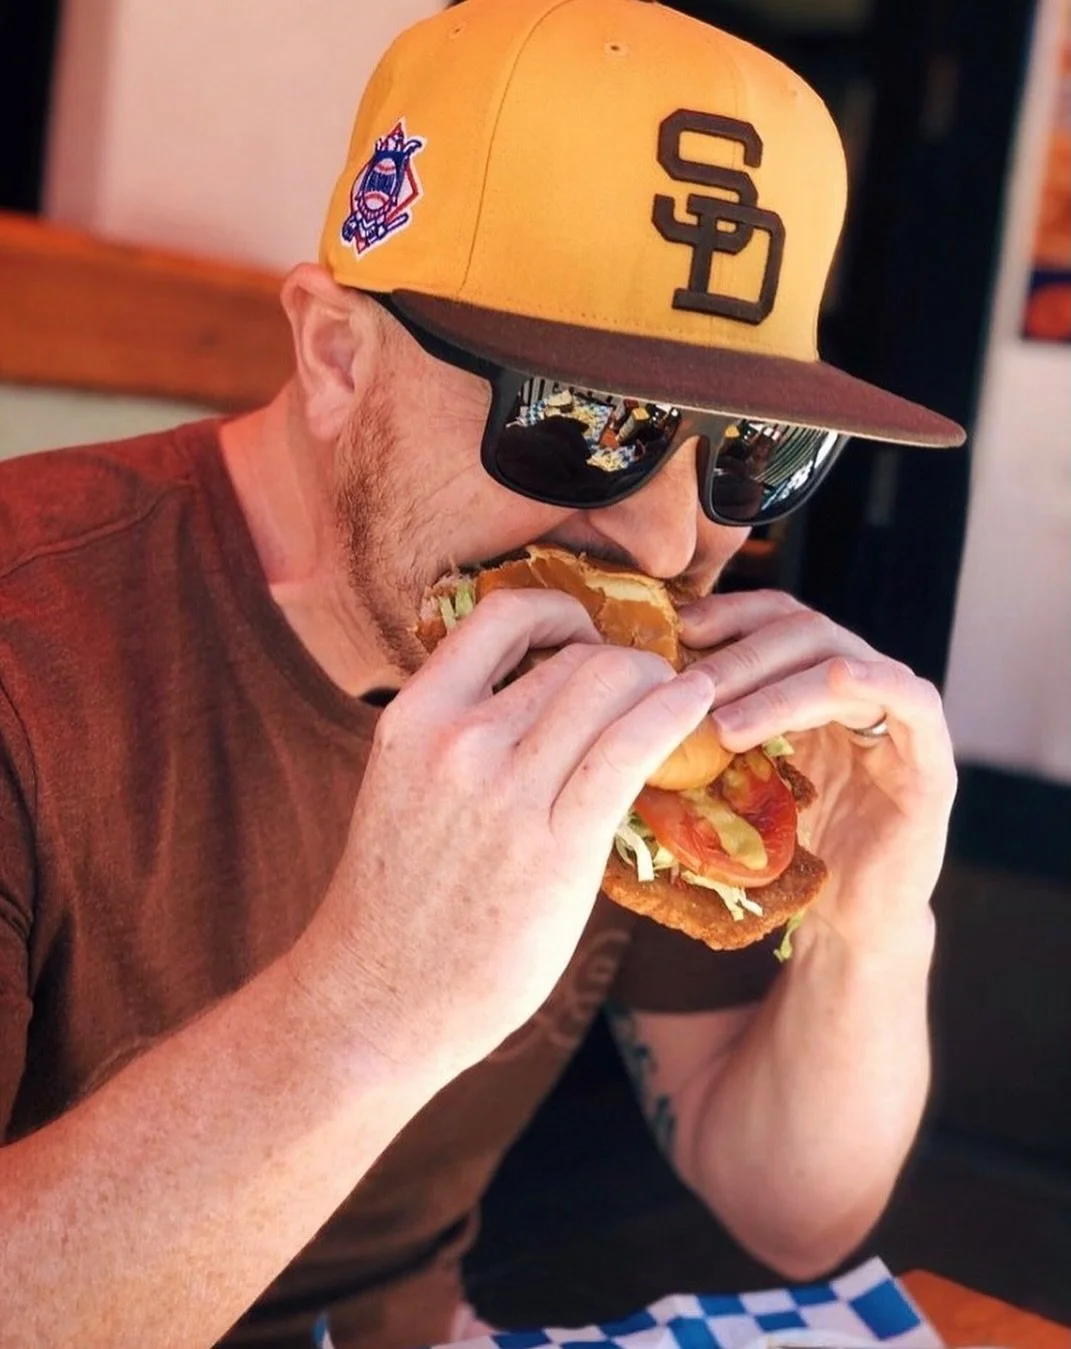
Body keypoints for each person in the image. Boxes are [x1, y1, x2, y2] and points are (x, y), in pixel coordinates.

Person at [0, 1, 965, 1346]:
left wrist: (875, 918)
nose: (668, 543)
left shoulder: (664, 748)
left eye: (752, 450)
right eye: (586, 420)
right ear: (337, 356)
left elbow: (792, 1215)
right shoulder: (33, 642)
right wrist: (371, 1006)